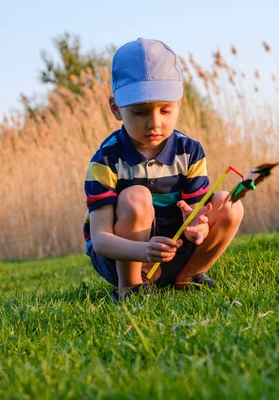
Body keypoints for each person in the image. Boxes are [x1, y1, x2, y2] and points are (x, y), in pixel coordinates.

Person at [83, 38, 244, 301]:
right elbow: (100, 240)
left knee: (230, 203)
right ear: (116, 108)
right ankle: (131, 288)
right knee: (136, 197)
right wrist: (144, 250)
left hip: (174, 252)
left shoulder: (189, 152)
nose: (154, 123)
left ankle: (188, 276)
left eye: (165, 109)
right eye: (139, 111)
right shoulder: (106, 160)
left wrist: (199, 228)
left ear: (178, 103)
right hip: (123, 257)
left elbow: (196, 213)